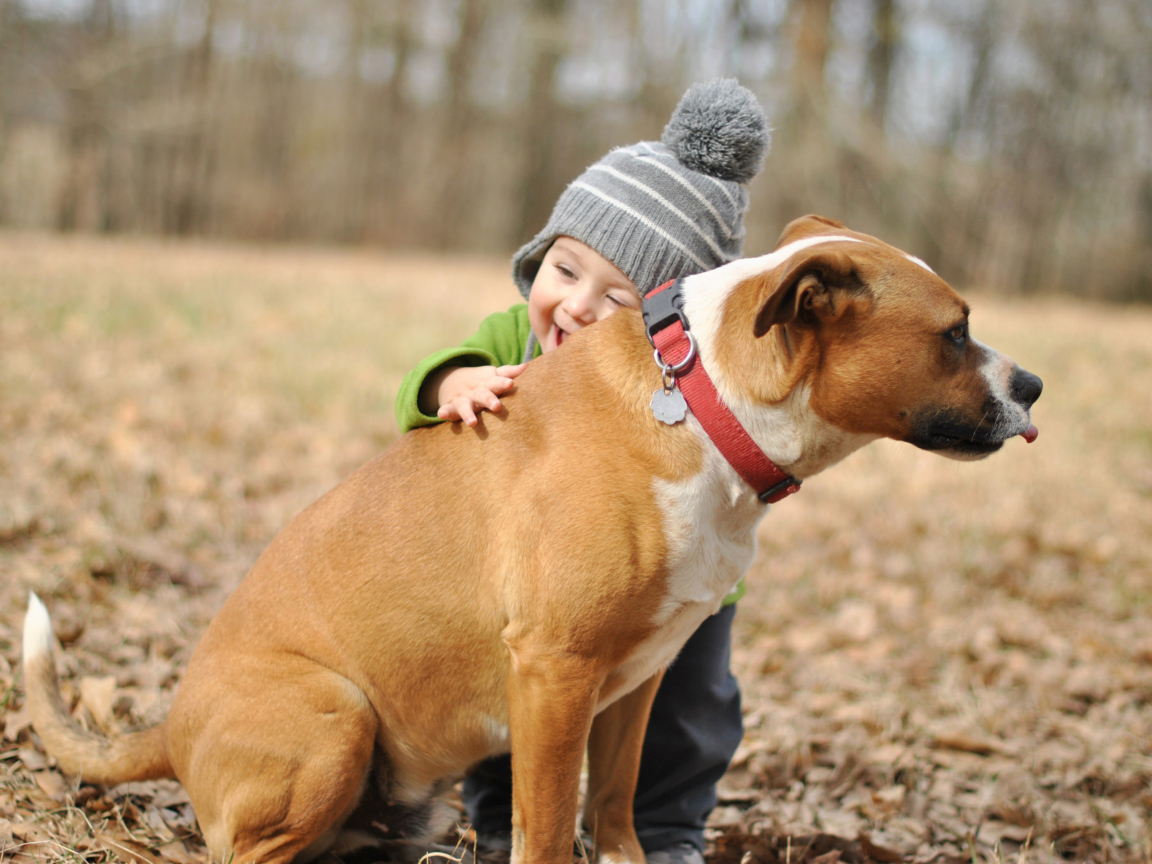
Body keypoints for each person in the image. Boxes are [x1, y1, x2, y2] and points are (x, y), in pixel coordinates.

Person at [395, 78, 770, 864]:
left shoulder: (677, 388)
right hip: (524, 580)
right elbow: (416, 396)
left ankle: (663, 831)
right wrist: (452, 383)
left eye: (618, 299)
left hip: (672, 580)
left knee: (689, 711)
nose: (575, 307)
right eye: (565, 272)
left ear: (668, 325)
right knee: (521, 687)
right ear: (539, 260)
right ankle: (506, 821)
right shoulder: (513, 343)